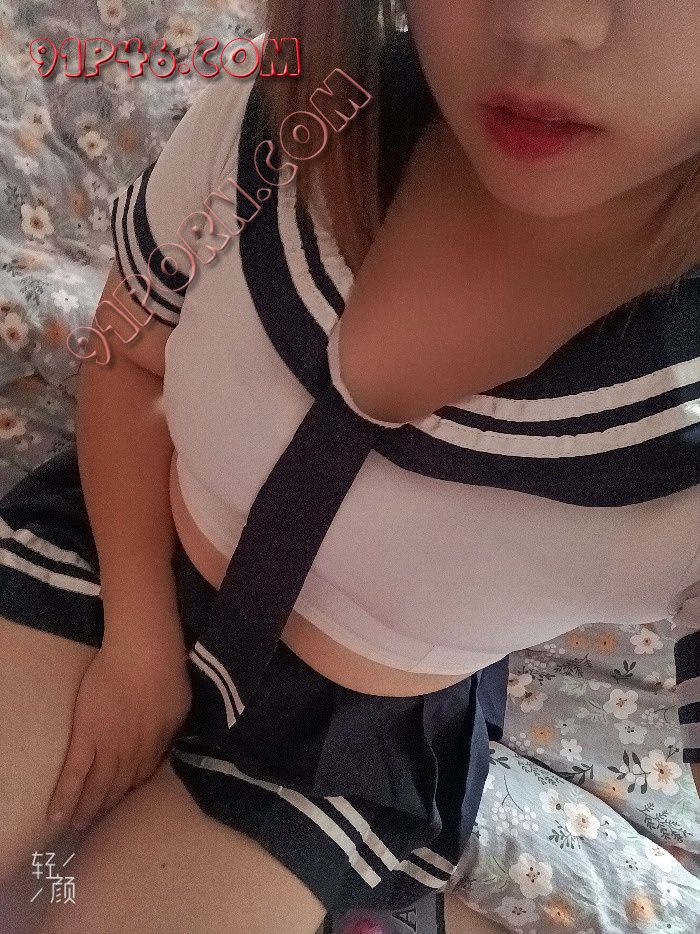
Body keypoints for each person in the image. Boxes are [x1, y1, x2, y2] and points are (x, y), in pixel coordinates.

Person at [1, 3, 698, 932]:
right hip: (123, 547)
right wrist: (138, 641)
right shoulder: (299, 118)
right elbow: (125, 344)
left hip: (336, 744)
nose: (540, 21)